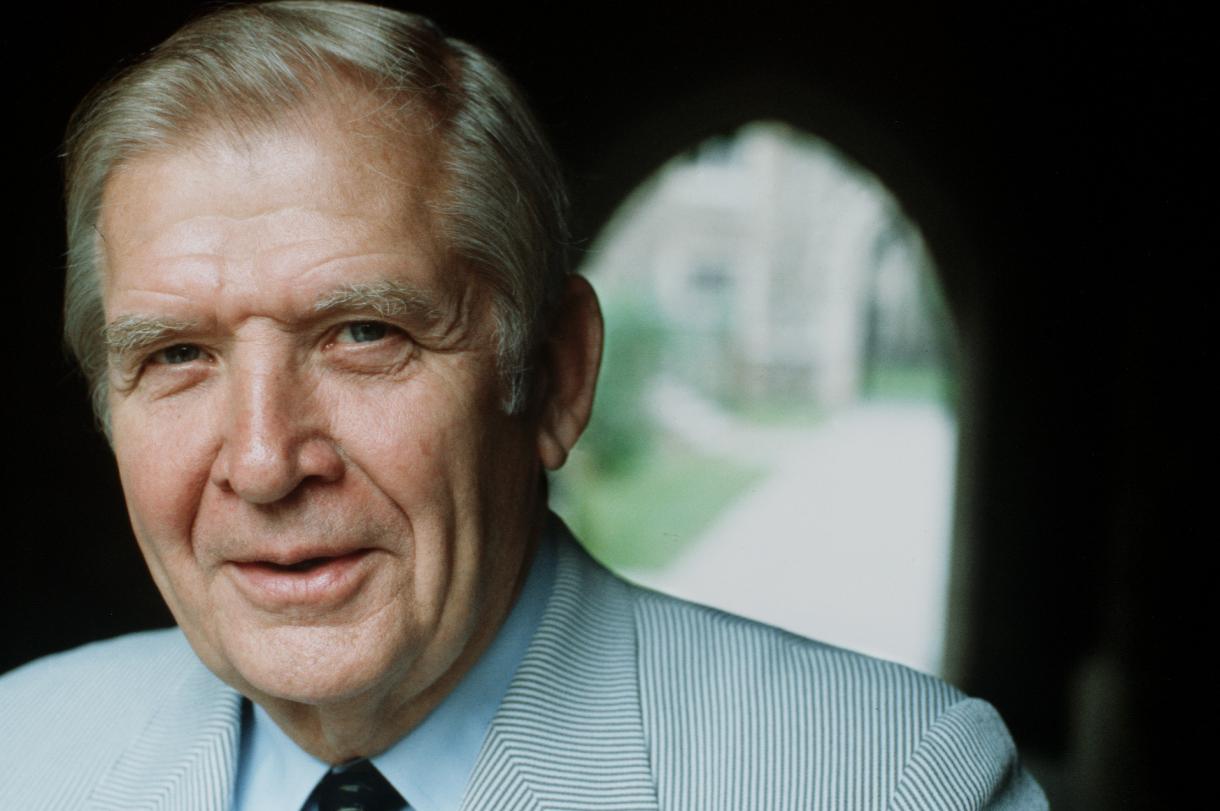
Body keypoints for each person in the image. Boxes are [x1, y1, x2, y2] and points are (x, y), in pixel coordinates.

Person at [0, 2, 1046, 808]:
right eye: (178, 353)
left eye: (364, 334)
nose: (266, 462)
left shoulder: (894, 782)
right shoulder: (21, 748)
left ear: (552, 377)